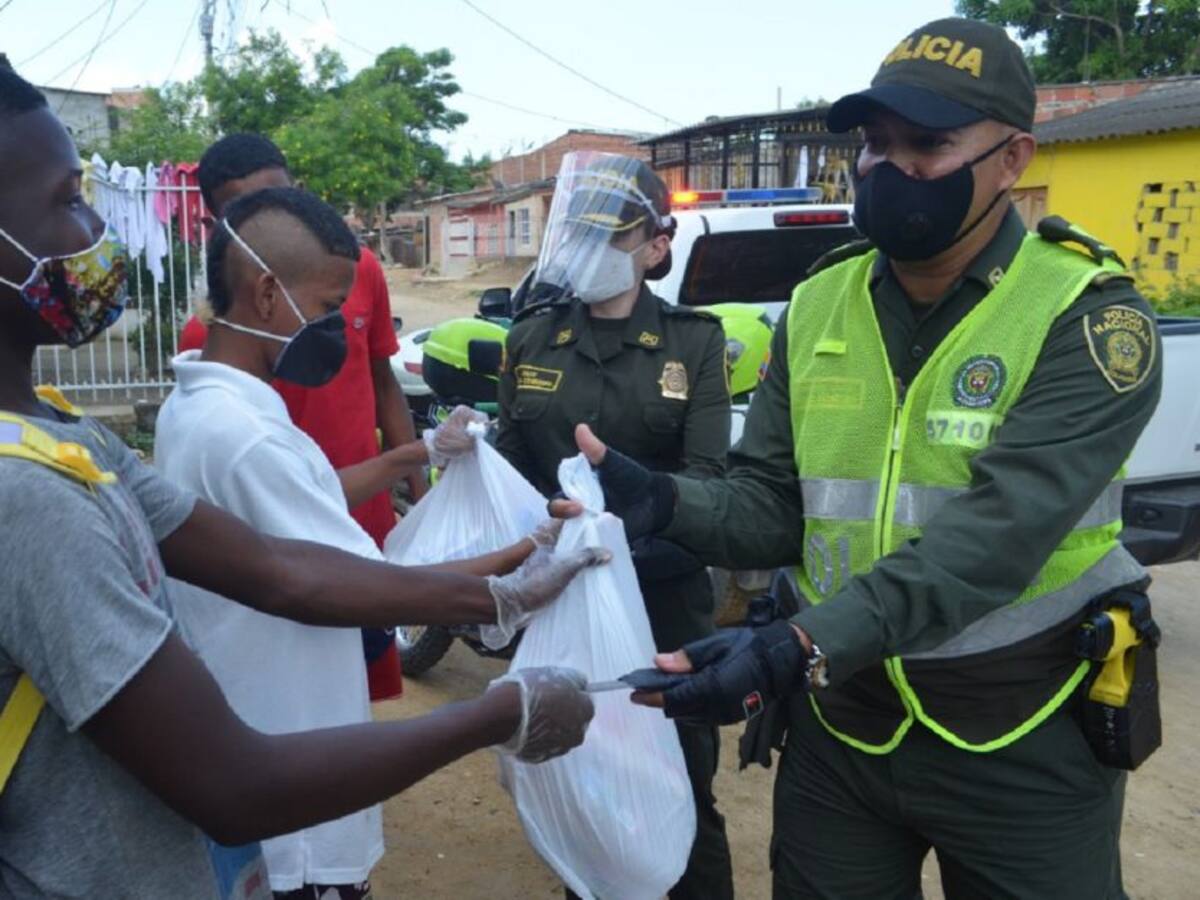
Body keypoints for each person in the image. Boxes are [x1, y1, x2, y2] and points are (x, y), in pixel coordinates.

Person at [565, 18, 1163, 900]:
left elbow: (991, 542)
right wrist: (661, 500)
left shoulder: (1088, 316)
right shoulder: (817, 303)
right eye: (877, 143)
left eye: (928, 143)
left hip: (1016, 731)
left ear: (1012, 159)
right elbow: (773, 503)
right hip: (844, 732)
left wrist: (793, 645)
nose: (891, 167)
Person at [0, 67, 601, 899]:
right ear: (269, 294)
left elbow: (282, 571)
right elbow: (237, 779)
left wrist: (498, 582)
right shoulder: (31, 497)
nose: (98, 230)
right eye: (67, 200)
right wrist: (501, 707)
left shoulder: (70, 438)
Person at [495, 153, 735, 900]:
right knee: (586, 776)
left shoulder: (693, 343)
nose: (592, 251)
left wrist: (622, 518)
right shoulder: (532, 340)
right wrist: (469, 460)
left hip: (663, 606)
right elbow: (511, 467)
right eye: (581, 233)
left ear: (655, 245)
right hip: (568, 601)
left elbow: (709, 481)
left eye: (612, 235)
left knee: (681, 781)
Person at [182, 134, 419, 700]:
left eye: (279, 200)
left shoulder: (353, 271)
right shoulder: (213, 348)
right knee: (298, 677)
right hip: (282, 543)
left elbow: (384, 381)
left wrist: (417, 478)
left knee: (353, 682)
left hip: (359, 510)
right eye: (245, 211)